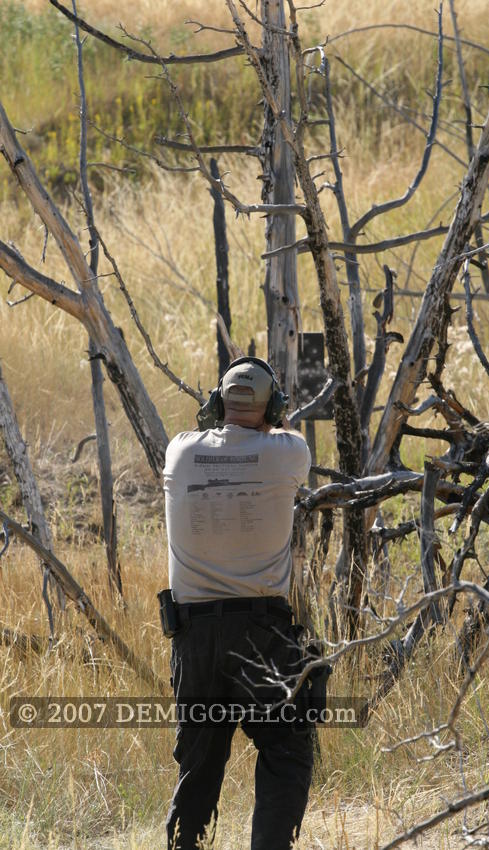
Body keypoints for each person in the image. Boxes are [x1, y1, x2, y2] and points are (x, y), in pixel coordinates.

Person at [163, 357, 313, 850]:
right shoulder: (289, 451)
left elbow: (203, 432)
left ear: (215, 403)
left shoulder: (180, 452)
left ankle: (185, 844)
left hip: (194, 637)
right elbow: (279, 435)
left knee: (199, 765)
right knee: (286, 749)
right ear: (275, 407)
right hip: (261, 635)